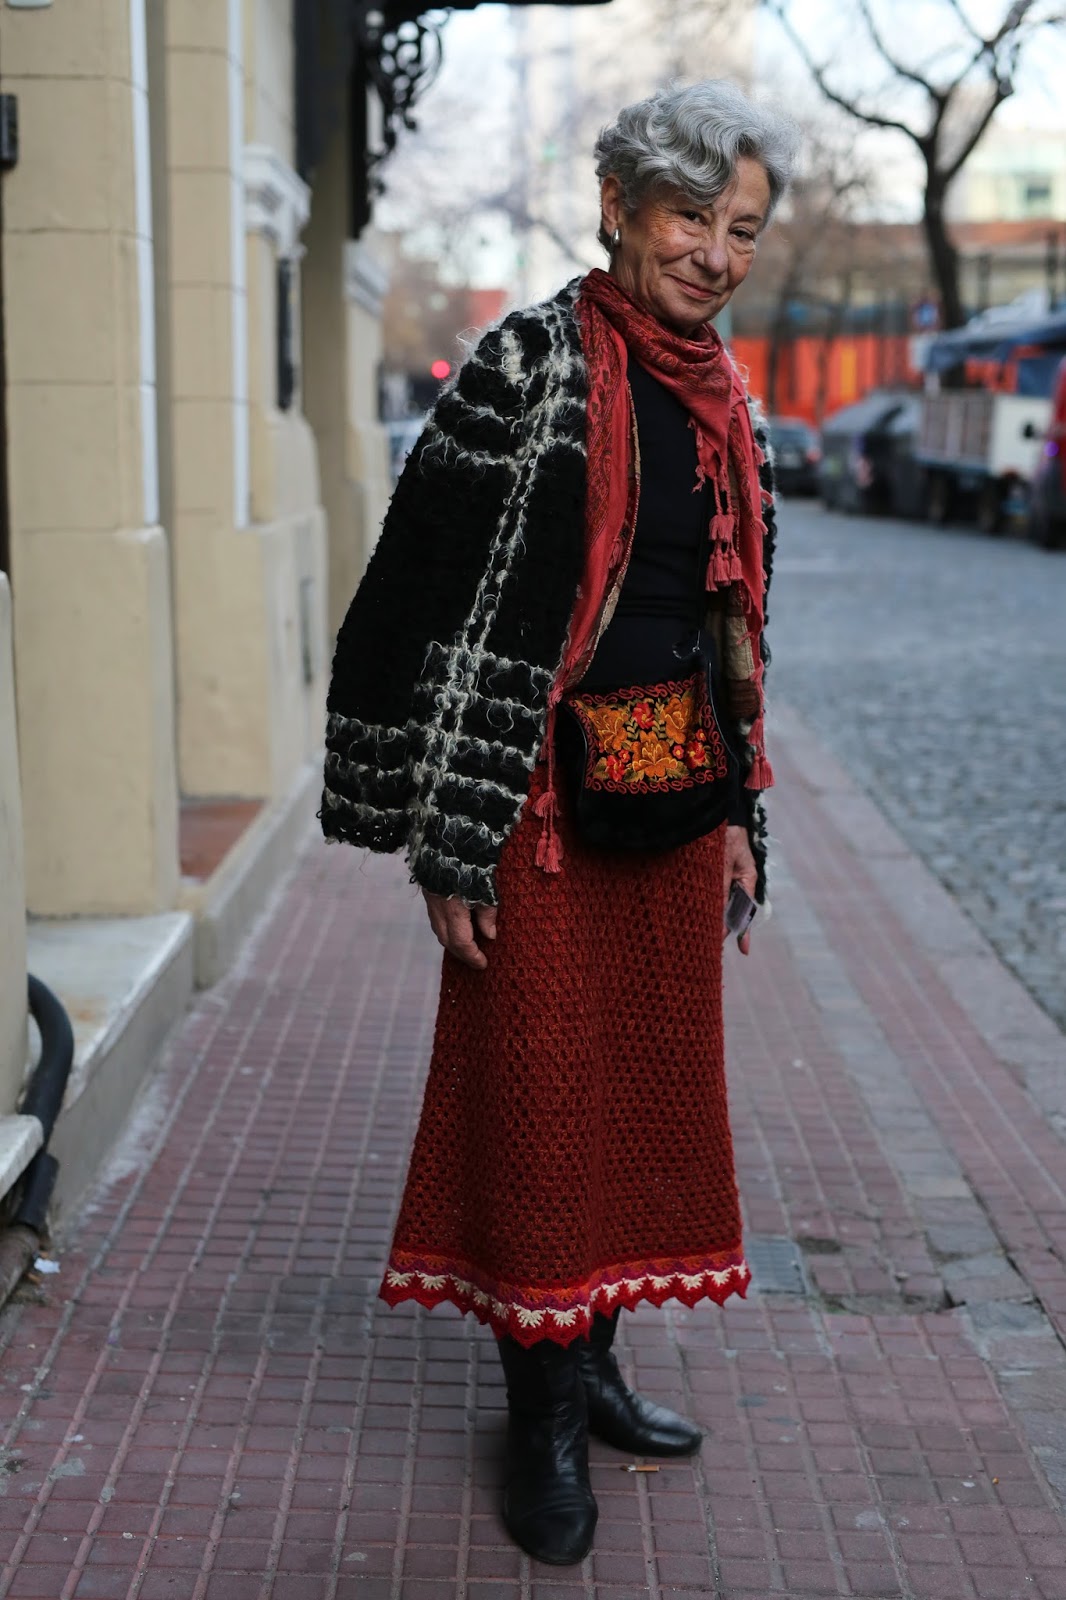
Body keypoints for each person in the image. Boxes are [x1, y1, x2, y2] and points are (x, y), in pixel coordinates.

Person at [321, 79, 798, 1566]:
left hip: (671, 791)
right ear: (617, 208)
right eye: (689, 218)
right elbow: (415, 587)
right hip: (530, 801)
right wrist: (441, 833)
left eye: (740, 230)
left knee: (640, 1092)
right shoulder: (525, 362)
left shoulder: (726, 394)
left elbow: (731, 622)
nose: (715, 253)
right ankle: (536, 1416)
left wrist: (741, 812)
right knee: (538, 1099)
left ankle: (591, 1366)